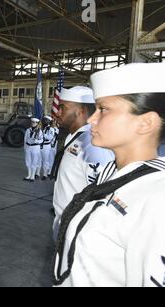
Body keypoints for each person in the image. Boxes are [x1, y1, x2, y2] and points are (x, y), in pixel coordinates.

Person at [52, 62, 165, 287]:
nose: (92, 119)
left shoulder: (157, 199)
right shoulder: (112, 172)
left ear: (146, 123)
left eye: (103, 109)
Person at [51, 86, 114, 241]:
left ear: (81, 111)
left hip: (78, 230)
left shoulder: (92, 145)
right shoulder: (76, 138)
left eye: (62, 108)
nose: (57, 113)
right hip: (65, 223)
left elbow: (101, 194)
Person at [23, 118, 43, 182]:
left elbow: (42, 140)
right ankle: (29, 175)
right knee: (28, 161)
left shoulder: (39, 131)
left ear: (37, 123)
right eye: (32, 122)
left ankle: (32, 176)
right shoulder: (28, 130)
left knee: (34, 162)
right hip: (28, 147)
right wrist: (25, 148)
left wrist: (37, 141)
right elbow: (25, 140)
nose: (33, 123)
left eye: (34, 122)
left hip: (35, 147)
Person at [40, 115, 55, 180]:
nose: (44, 121)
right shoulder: (43, 128)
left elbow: (50, 137)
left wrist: (43, 134)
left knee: (46, 160)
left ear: (49, 121)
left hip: (46, 146)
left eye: (46, 120)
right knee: (40, 160)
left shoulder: (51, 129)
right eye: (44, 120)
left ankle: (45, 174)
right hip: (40, 145)